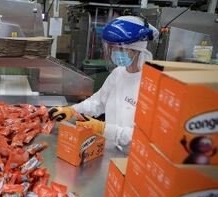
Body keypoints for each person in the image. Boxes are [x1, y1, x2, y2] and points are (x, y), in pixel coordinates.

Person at [49, 16, 159, 152]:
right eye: (111, 48)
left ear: (136, 49)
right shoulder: (118, 73)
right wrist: (72, 110)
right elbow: (97, 102)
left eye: (119, 48)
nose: (114, 52)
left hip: (131, 158)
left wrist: (103, 129)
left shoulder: (151, 84)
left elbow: (142, 137)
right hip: (109, 150)